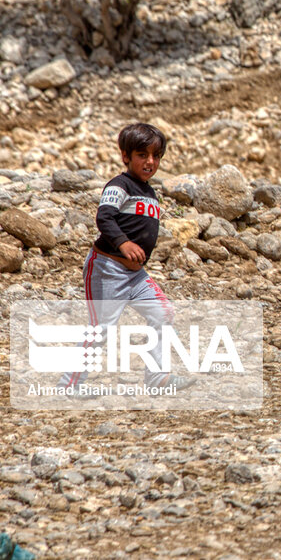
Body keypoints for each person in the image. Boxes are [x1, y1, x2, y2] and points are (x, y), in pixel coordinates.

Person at [60, 123, 194, 394]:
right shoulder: (119, 185)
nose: (150, 162)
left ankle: (157, 378)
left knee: (163, 312)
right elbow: (104, 217)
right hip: (108, 269)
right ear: (125, 156)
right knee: (102, 329)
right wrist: (124, 243)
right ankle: (69, 385)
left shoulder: (150, 192)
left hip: (135, 276)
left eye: (156, 156)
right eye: (142, 155)